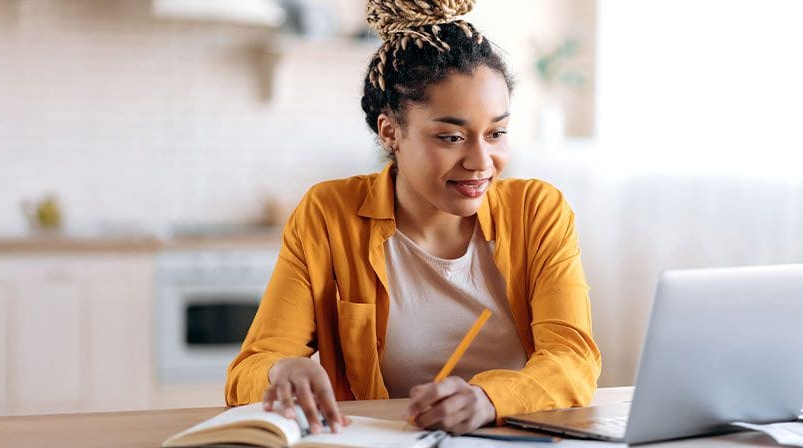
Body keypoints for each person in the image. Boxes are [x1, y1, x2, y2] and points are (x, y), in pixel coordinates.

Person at [225, 0, 601, 436]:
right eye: (451, 137)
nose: (481, 161)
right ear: (390, 132)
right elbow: (248, 371)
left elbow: (573, 359)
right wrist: (280, 371)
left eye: (496, 133)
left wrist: (488, 399)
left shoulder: (537, 211)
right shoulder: (328, 215)